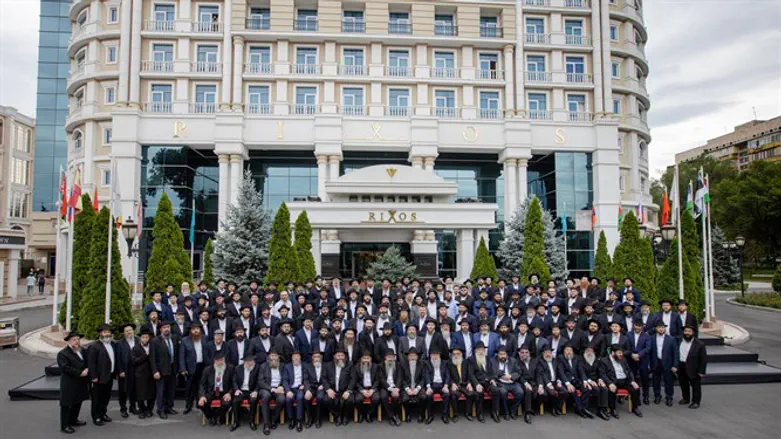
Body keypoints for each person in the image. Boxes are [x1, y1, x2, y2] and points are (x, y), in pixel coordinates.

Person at [57, 331, 89, 434]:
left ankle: (73, 420)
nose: (77, 341)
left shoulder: (82, 351)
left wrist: (87, 369)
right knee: (66, 404)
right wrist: (80, 373)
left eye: (78, 339)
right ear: (69, 341)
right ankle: (65, 425)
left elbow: (86, 362)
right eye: (74, 340)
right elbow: (65, 368)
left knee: (78, 401)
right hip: (69, 383)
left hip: (80, 382)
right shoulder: (62, 354)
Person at [600, 345, 643, 418]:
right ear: (613, 352)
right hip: (613, 381)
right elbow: (602, 374)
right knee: (612, 390)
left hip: (625, 380)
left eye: (622, 352)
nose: (621, 354)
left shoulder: (623, 359)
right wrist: (610, 383)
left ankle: (635, 407)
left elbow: (629, 371)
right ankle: (612, 409)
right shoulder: (604, 361)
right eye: (619, 353)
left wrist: (632, 381)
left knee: (635, 388)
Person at [87, 324, 116, 426]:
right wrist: (93, 376)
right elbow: (91, 363)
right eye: (104, 332)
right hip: (98, 377)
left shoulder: (113, 344)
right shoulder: (94, 346)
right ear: (100, 334)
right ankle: (96, 416)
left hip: (109, 375)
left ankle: (103, 413)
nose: (107, 334)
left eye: (108, 332)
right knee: (97, 398)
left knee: (106, 397)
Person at [150, 320, 178, 419]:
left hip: (172, 369)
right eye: (164, 327)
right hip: (161, 370)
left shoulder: (174, 338)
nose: (167, 329)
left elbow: (176, 354)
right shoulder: (155, 341)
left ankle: (169, 407)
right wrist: (155, 371)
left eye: (168, 327)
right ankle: (161, 410)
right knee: (161, 391)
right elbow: (152, 358)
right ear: (161, 329)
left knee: (171, 390)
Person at [198, 350, 234, 426]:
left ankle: (220, 417)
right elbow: (202, 384)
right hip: (211, 392)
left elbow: (233, 384)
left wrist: (229, 393)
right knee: (201, 404)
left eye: (222, 360)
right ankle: (211, 416)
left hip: (224, 392)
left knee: (226, 404)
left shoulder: (230, 368)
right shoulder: (207, 369)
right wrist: (202, 396)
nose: (220, 362)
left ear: (224, 359)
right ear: (214, 361)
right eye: (218, 360)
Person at [489, 345, 523, 421]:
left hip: (512, 382)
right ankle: (506, 412)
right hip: (501, 383)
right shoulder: (492, 361)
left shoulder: (513, 360)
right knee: (503, 392)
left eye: (504, 354)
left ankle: (513, 411)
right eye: (500, 354)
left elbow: (519, 372)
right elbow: (491, 373)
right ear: (497, 354)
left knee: (520, 392)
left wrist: (511, 376)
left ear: (506, 354)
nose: (502, 356)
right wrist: (501, 375)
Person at [677, 325, 707, 409]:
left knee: (695, 386)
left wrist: (701, 371)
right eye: (686, 331)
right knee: (683, 384)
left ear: (693, 333)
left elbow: (703, 359)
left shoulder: (700, 344)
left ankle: (696, 402)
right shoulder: (678, 340)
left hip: (694, 367)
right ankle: (686, 398)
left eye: (689, 331)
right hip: (681, 365)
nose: (687, 333)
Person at [650, 320, 679, 406]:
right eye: (659, 327)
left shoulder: (671, 339)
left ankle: (669, 397)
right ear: (656, 328)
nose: (661, 329)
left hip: (668, 363)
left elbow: (676, 353)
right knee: (656, 381)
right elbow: (649, 352)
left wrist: (675, 365)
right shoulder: (651, 338)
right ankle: (657, 396)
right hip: (656, 362)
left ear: (665, 328)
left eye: (662, 327)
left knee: (668, 381)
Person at [179, 322, 206, 414]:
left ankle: (200, 404)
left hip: (202, 366)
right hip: (190, 368)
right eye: (194, 329)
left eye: (197, 329)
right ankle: (188, 406)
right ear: (191, 331)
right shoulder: (185, 340)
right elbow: (182, 356)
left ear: (200, 330)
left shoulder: (205, 338)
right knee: (189, 388)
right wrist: (183, 369)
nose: (196, 331)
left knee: (201, 386)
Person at [258, 348, 286, 435]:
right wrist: (271, 388)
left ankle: (274, 419)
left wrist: (281, 386)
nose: (273, 357)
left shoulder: (282, 366)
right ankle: (266, 424)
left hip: (278, 389)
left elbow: (285, 379)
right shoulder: (263, 366)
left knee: (281, 399)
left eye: (275, 355)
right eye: (272, 355)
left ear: (278, 357)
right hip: (266, 389)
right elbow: (260, 382)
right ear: (269, 357)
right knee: (266, 396)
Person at [324, 346, 353, 426]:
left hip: (345, 390)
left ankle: (346, 416)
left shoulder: (349, 365)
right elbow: (324, 378)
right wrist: (328, 389)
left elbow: (353, 379)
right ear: (334, 356)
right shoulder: (328, 365)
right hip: (332, 390)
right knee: (326, 400)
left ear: (345, 357)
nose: (340, 357)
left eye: (342, 355)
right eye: (338, 355)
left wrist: (348, 390)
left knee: (350, 400)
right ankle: (338, 416)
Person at [231, 352, 260, 431]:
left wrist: (256, 391)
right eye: (249, 361)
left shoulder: (257, 368)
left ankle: (252, 421)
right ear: (244, 362)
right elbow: (234, 380)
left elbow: (259, 381)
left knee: (253, 401)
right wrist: (237, 389)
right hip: (241, 390)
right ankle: (236, 422)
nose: (251, 363)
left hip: (251, 390)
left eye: (252, 361)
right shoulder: (238, 368)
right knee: (235, 401)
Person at [536, 345, 567, 416]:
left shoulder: (555, 361)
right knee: (553, 393)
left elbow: (559, 372)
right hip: (547, 383)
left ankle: (557, 407)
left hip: (556, 382)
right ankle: (553, 408)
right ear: (543, 353)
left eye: (549, 352)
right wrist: (548, 384)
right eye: (546, 352)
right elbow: (542, 374)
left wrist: (559, 381)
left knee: (564, 392)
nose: (548, 354)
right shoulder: (540, 362)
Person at [132, 328, 156, 419]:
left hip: (151, 373)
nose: (145, 339)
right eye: (143, 337)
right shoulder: (135, 348)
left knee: (151, 393)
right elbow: (134, 361)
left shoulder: (153, 347)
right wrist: (145, 355)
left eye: (147, 337)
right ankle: (141, 411)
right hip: (140, 375)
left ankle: (149, 410)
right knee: (140, 394)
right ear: (140, 338)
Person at [116, 323, 139, 418]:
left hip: (136, 370)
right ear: (124, 333)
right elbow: (117, 358)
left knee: (134, 389)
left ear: (133, 331)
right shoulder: (119, 343)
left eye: (130, 330)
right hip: (124, 370)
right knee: (123, 391)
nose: (129, 332)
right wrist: (120, 370)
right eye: (127, 331)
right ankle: (123, 409)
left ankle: (132, 407)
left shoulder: (138, 340)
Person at [400, 347, 428, 423]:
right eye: (411, 356)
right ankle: (408, 414)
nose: (412, 358)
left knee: (423, 397)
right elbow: (401, 379)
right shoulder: (403, 365)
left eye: (414, 356)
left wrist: (417, 388)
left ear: (417, 357)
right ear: (408, 357)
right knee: (404, 399)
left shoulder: (421, 365)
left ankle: (420, 414)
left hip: (418, 387)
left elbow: (423, 379)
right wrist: (407, 389)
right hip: (407, 387)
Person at [627, 318, 652, 404]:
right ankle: (634, 397)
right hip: (631, 360)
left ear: (642, 327)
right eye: (636, 325)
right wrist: (632, 355)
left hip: (643, 360)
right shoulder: (628, 334)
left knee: (645, 379)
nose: (638, 327)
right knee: (632, 378)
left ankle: (646, 396)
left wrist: (638, 355)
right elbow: (627, 346)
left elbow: (648, 348)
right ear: (633, 325)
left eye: (639, 326)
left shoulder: (647, 336)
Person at [424, 347, 451, 424]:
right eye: (433, 355)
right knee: (429, 396)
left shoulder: (444, 363)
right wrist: (428, 387)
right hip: (432, 385)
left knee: (447, 395)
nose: (435, 356)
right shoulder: (427, 363)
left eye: (436, 354)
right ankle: (430, 416)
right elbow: (426, 376)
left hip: (442, 385)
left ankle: (444, 415)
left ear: (439, 355)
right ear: (430, 355)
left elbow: (447, 375)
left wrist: (446, 386)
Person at [352, 350, 380, 423]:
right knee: (358, 399)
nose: (366, 360)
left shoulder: (375, 366)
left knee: (376, 399)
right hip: (361, 389)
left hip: (372, 388)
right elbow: (355, 381)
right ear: (361, 359)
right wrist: (362, 390)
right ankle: (362, 413)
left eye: (368, 358)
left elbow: (378, 380)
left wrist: (372, 389)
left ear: (371, 359)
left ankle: (369, 413)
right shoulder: (356, 367)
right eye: (364, 358)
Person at [283, 350, 308, 432]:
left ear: (300, 358)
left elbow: (307, 378)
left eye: (298, 356)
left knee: (300, 398)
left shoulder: (305, 365)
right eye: (294, 357)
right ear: (292, 358)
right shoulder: (287, 366)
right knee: (288, 399)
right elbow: (285, 380)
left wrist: (304, 385)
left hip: (300, 388)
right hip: (291, 388)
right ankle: (291, 420)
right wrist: (287, 390)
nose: (296, 358)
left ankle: (299, 421)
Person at [447, 346, 474, 422]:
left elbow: (470, 374)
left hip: (465, 384)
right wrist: (452, 383)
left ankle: (468, 413)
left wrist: (469, 383)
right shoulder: (449, 363)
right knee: (453, 395)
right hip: (455, 385)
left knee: (471, 394)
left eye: (458, 354)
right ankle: (455, 414)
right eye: (454, 354)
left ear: (461, 354)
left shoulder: (466, 362)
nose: (456, 355)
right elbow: (447, 376)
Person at [466, 342, 491, 422]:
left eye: (483, 350)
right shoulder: (471, 359)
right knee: (479, 393)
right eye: (479, 350)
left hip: (487, 381)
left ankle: (495, 412)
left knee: (496, 390)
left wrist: (492, 379)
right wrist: (476, 384)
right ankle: (480, 414)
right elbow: (471, 374)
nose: (481, 351)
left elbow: (491, 371)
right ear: (475, 351)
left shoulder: (487, 358)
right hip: (477, 381)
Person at [378, 349, 403, 426]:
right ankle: (391, 416)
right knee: (383, 396)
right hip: (385, 387)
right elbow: (381, 379)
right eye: (388, 357)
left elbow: (400, 377)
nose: (390, 359)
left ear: (394, 357)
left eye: (392, 357)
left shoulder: (398, 365)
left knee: (396, 397)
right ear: (385, 357)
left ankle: (395, 414)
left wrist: (397, 388)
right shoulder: (381, 365)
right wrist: (389, 388)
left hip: (395, 386)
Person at [304, 348, 327, 428]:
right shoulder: (308, 366)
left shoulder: (325, 366)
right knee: (307, 398)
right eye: (315, 357)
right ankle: (310, 418)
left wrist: (324, 385)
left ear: (321, 357)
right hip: (311, 387)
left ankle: (318, 419)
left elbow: (329, 378)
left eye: (318, 356)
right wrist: (307, 390)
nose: (317, 358)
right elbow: (306, 379)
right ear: (312, 358)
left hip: (321, 387)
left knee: (320, 398)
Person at [516, 346, 537, 424]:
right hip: (522, 382)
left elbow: (538, 373)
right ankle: (527, 413)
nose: (524, 354)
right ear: (519, 353)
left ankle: (532, 408)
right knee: (528, 391)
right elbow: (519, 375)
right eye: (522, 352)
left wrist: (540, 385)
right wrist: (525, 383)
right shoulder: (516, 362)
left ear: (529, 353)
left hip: (533, 382)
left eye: (526, 352)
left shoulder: (534, 361)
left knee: (540, 392)